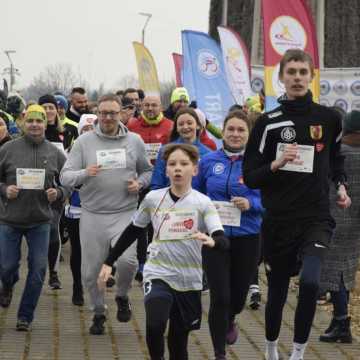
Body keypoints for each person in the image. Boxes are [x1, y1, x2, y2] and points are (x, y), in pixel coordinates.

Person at [242, 49, 351, 360]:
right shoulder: (267, 123)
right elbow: (251, 177)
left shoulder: (329, 118)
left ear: (312, 76)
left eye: (304, 72)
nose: (298, 78)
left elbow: (335, 160)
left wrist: (341, 186)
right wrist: (275, 165)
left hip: (316, 217)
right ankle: (271, 347)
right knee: (276, 292)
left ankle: (299, 353)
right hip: (278, 220)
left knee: (310, 281)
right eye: (292, 72)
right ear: (282, 78)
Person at [98, 143, 229, 360]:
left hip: (189, 278)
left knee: (179, 343)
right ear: (166, 170)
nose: (178, 168)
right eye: (172, 164)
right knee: (156, 323)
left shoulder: (203, 202)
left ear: (194, 170)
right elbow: (133, 230)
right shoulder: (152, 198)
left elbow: (221, 238)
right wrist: (109, 261)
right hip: (158, 271)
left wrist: (213, 242)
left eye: (184, 164)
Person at [60, 94, 153, 334]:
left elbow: (147, 172)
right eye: (103, 113)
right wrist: (85, 173)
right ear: (97, 114)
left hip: (125, 212)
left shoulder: (135, 141)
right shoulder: (84, 142)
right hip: (93, 214)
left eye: (113, 113)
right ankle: (99, 312)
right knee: (90, 273)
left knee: (127, 261)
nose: (108, 118)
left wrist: (139, 185)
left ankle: (122, 295)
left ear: (121, 113)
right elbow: (65, 177)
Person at [195, 110, 263, 359]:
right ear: (222, 132)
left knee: (236, 298)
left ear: (248, 134)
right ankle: (219, 353)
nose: (235, 134)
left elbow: (271, 201)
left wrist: (251, 204)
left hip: (248, 235)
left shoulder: (258, 163)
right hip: (215, 237)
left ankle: (232, 317)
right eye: (231, 129)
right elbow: (196, 195)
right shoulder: (208, 161)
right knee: (219, 296)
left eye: (240, 130)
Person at [0, 105, 67, 331]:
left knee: (38, 270)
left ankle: (25, 316)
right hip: (10, 219)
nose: (35, 125)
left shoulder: (55, 152)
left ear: (45, 123)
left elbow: (68, 181)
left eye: (39, 121)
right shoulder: (8, 149)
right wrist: (4, 190)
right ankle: (7, 284)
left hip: (40, 221)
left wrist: (57, 193)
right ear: (23, 123)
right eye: (30, 121)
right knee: (7, 267)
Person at [319, 110, 360, 344]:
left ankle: (342, 322)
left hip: (335, 216)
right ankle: (338, 319)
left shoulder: (340, 152)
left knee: (336, 272)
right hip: (354, 221)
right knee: (345, 270)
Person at [64, 113, 97, 306]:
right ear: (80, 130)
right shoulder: (72, 150)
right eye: (85, 128)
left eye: (92, 128)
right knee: (77, 250)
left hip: (101, 209)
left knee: (98, 250)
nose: (89, 132)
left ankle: (96, 283)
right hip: (77, 208)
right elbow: (65, 178)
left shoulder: (107, 150)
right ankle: (77, 286)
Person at [38, 95, 65, 290]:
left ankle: (54, 273)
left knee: (53, 230)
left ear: (57, 110)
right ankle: (36, 268)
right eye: (44, 107)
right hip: (33, 192)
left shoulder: (67, 132)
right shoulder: (35, 131)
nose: (48, 111)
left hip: (55, 191)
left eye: (51, 107)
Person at [151, 107, 211, 190]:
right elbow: (157, 184)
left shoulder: (208, 154)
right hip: (170, 201)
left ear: (197, 125)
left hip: (197, 201)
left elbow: (209, 186)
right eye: (181, 124)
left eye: (189, 123)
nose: (185, 127)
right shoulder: (165, 151)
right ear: (176, 128)